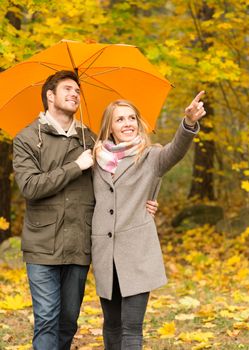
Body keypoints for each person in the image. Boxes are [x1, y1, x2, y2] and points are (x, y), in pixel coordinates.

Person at [12, 70, 157, 350]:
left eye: (78, 90)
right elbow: (29, 186)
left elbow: (117, 182)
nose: (74, 94)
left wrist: (146, 201)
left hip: (80, 243)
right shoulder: (27, 138)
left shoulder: (91, 140)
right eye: (67, 89)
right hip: (42, 245)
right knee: (46, 319)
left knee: (68, 320)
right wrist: (75, 166)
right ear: (49, 96)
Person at [91, 92, 206, 350]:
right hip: (105, 255)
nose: (128, 123)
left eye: (132, 117)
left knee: (131, 328)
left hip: (136, 253)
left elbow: (175, 151)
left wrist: (187, 124)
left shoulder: (150, 156)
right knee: (111, 325)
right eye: (120, 119)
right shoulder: (95, 160)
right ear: (110, 127)